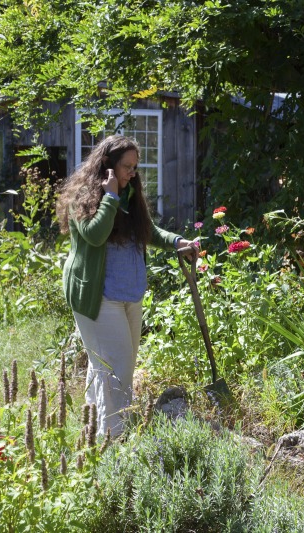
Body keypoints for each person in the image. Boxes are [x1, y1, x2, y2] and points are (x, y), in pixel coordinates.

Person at [56, 134, 197, 437]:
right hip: (98, 296)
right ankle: (115, 442)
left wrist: (176, 241)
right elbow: (95, 234)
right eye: (127, 167)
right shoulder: (85, 196)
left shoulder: (130, 194)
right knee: (117, 372)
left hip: (129, 295)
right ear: (107, 165)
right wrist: (110, 197)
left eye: (135, 167)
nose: (133, 173)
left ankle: (93, 435)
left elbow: (146, 231)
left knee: (112, 368)